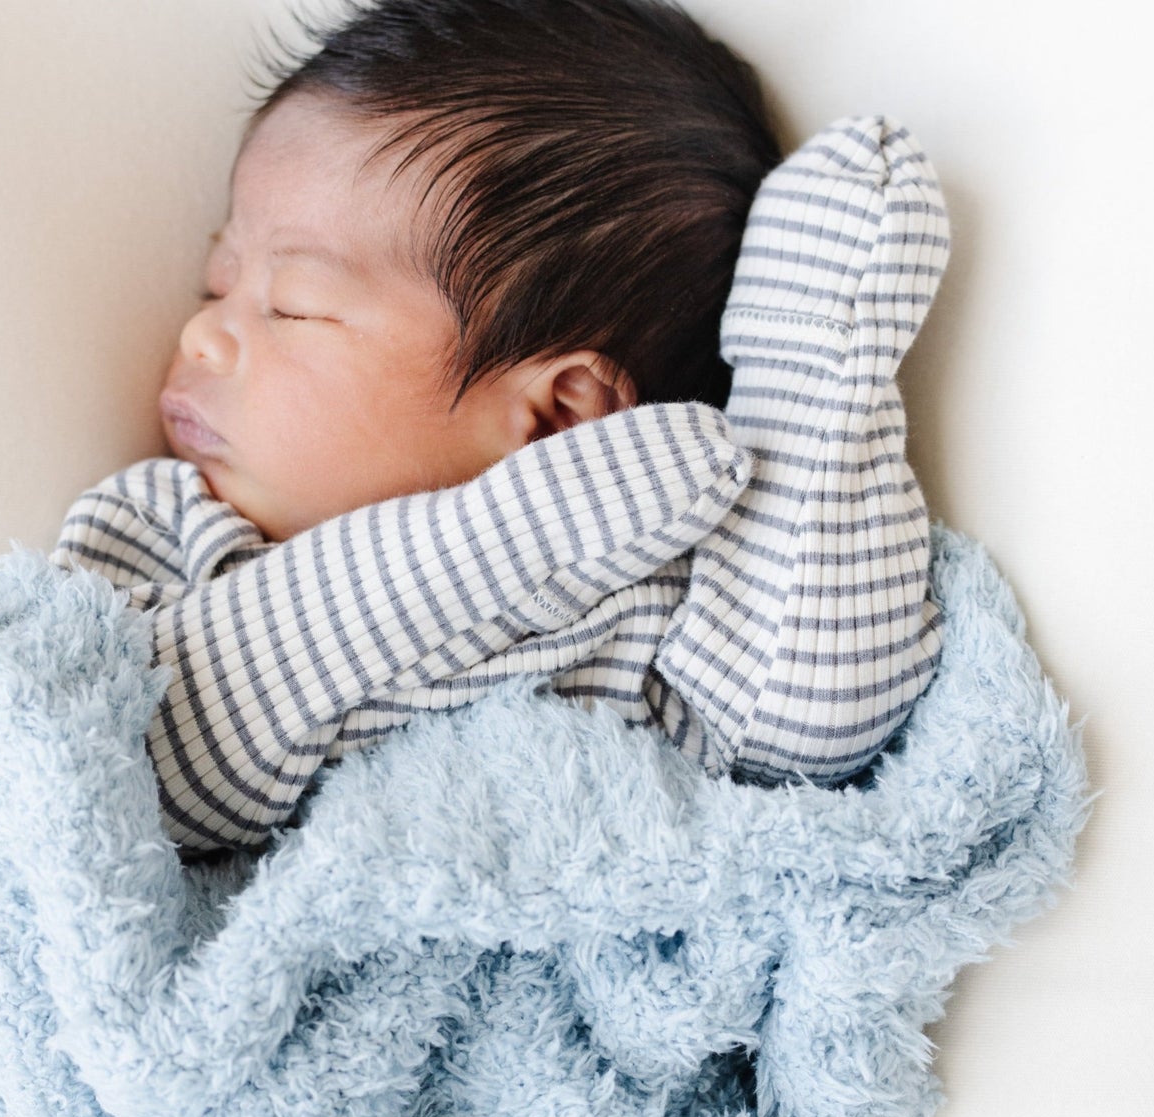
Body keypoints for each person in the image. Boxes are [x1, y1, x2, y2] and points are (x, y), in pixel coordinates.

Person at [52, 0, 947, 854]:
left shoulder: (663, 590)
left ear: (559, 418)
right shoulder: (169, 531)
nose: (202, 334)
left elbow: (804, 739)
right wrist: (500, 538)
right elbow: (134, 764)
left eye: (293, 306)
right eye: (218, 281)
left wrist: (804, 375)